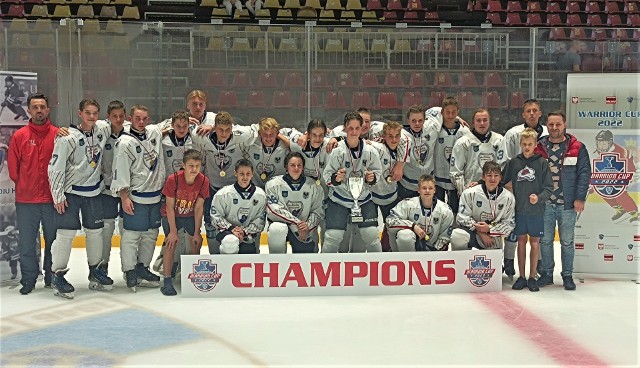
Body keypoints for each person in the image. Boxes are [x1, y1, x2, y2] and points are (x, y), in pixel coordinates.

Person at [48, 99, 112, 299]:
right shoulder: (67, 137)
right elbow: (55, 168)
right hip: (71, 194)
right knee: (65, 234)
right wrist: (58, 195)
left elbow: (124, 123)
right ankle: (57, 275)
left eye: (95, 113)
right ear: (79, 113)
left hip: (93, 193)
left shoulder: (102, 129)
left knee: (95, 233)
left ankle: (95, 270)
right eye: (88, 113)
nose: (92, 117)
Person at [111, 105, 166, 292]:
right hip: (136, 197)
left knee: (151, 235)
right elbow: (120, 171)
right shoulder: (125, 142)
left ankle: (143, 267)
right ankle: (130, 270)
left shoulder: (154, 133)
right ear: (130, 119)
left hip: (155, 197)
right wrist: (124, 197)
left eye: (144, 119)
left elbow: (173, 125)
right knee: (131, 236)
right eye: (137, 118)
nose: (141, 122)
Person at [8, 93, 58, 295]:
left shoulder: (58, 135)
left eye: (42, 107)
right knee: (27, 243)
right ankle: (28, 279)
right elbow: (13, 169)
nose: (39, 110)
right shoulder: (20, 136)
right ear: (29, 110)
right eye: (35, 107)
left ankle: (51, 276)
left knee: (53, 242)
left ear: (48, 110)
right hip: (26, 201)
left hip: (53, 201)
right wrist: (26, 185)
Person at [535, 111, 591, 290]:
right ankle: (546, 273)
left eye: (558, 124)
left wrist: (580, 198)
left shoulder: (577, 147)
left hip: (567, 204)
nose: (554, 128)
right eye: (551, 125)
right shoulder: (540, 146)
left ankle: (567, 275)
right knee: (545, 241)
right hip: (545, 204)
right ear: (547, 125)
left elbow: (584, 174)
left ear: (564, 124)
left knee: (567, 241)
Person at [190, 111, 257, 254]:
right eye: (220, 129)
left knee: (237, 220)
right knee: (209, 222)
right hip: (213, 187)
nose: (224, 133)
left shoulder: (240, 135)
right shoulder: (202, 136)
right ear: (214, 127)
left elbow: (257, 128)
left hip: (235, 189)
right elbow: (184, 128)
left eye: (228, 130)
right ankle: (214, 255)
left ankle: (244, 251)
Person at [497, 98, 548, 278]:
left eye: (535, 110)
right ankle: (510, 262)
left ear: (540, 113)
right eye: (528, 111)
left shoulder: (549, 132)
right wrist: (509, 185)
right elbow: (506, 162)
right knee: (514, 232)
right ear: (523, 114)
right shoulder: (513, 134)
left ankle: (539, 266)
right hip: (516, 192)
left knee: (536, 237)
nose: (532, 114)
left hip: (536, 194)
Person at [321, 112, 383, 253]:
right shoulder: (338, 151)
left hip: (363, 199)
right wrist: (335, 179)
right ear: (345, 129)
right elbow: (327, 175)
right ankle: (324, 269)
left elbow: (377, 173)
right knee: (332, 237)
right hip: (339, 199)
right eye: (350, 128)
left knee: (372, 235)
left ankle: (379, 270)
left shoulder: (370, 151)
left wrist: (371, 178)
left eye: (357, 128)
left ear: (362, 128)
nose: (354, 132)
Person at [501, 128, 553, 292]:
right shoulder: (514, 162)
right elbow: (502, 181)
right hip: (519, 210)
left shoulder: (542, 163)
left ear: (535, 144)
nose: (527, 147)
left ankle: (532, 276)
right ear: (520, 144)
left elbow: (549, 188)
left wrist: (538, 197)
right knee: (521, 241)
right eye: (524, 144)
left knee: (535, 243)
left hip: (536, 211)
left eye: (530, 144)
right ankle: (521, 276)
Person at [159, 149, 209, 296]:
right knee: (171, 242)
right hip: (172, 214)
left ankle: (191, 277)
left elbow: (199, 207)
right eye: (191, 166)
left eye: (197, 166)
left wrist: (197, 232)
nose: (194, 169)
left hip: (190, 215)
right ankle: (167, 280)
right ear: (184, 165)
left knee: (195, 242)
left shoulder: (203, 181)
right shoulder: (173, 179)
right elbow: (169, 206)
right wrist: (173, 231)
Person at [266, 152, 324, 253]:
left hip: (304, 230)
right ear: (286, 167)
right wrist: (296, 222)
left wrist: (308, 226)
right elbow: (273, 209)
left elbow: (318, 210)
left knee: (306, 258)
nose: (296, 168)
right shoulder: (273, 184)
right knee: (277, 229)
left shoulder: (314, 186)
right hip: (284, 225)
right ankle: (277, 262)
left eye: (299, 165)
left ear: (303, 167)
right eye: (292, 165)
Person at [451, 161, 515, 252]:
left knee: (493, 262)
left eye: (496, 175)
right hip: (473, 232)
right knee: (457, 235)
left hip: (493, 237)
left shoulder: (508, 198)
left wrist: (490, 229)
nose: (492, 179)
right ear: (483, 177)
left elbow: (509, 224)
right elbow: (462, 217)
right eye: (489, 175)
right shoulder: (470, 193)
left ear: (501, 177)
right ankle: (461, 264)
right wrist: (480, 231)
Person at [369, 121, 411, 251]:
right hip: (372, 195)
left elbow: (407, 139)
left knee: (391, 227)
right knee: (369, 229)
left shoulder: (403, 145)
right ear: (384, 136)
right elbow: (362, 143)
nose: (394, 139)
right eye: (390, 136)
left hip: (391, 194)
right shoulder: (378, 146)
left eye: (396, 136)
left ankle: (388, 251)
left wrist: (400, 165)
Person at [210, 159, 267, 254]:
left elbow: (260, 220)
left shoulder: (260, 195)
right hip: (227, 233)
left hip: (248, 236)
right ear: (235, 173)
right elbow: (216, 216)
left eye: (248, 174)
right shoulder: (223, 194)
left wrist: (244, 232)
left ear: (252, 174)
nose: (245, 177)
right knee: (230, 241)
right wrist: (232, 229)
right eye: (241, 173)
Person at [386, 175, 454, 252]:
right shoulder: (407, 205)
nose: (427, 191)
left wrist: (434, 254)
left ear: (434, 190)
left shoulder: (445, 211)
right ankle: (406, 260)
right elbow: (389, 221)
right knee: (404, 235)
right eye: (424, 188)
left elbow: (445, 237)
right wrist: (413, 226)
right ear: (418, 190)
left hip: (432, 252)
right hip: (407, 250)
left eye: (430, 188)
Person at [100, 100, 128, 280]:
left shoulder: (132, 133)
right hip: (106, 191)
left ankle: (129, 269)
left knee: (127, 231)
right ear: (108, 117)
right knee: (106, 230)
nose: (118, 119)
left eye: (121, 116)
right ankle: (102, 268)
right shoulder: (100, 133)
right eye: (114, 116)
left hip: (126, 191)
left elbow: (159, 127)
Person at [433, 96, 470, 217]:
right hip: (438, 177)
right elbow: (430, 111)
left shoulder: (464, 131)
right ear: (442, 112)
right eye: (447, 112)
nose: (450, 115)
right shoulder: (436, 129)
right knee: (438, 209)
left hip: (456, 179)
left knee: (455, 209)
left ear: (458, 111)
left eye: (454, 112)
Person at [592, 130, 638, 223]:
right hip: (612, 172)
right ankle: (620, 208)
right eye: (599, 143)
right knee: (601, 190)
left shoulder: (620, 153)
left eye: (603, 143)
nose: (601, 146)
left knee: (618, 192)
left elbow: (621, 169)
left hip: (627, 171)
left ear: (610, 142)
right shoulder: (600, 151)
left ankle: (634, 212)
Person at [398, 105, 443, 200]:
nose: (417, 124)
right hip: (407, 186)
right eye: (413, 121)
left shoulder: (432, 127)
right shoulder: (400, 136)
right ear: (408, 121)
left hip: (428, 185)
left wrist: (457, 118)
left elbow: (443, 111)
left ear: (425, 120)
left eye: (420, 120)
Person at [242, 117, 290, 188]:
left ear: (277, 133)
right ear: (260, 133)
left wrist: (281, 137)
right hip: (254, 188)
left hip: (277, 189)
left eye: (271, 135)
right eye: (265, 135)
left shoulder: (284, 144)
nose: (268, 138)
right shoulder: (251, 143)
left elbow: (296, 149)